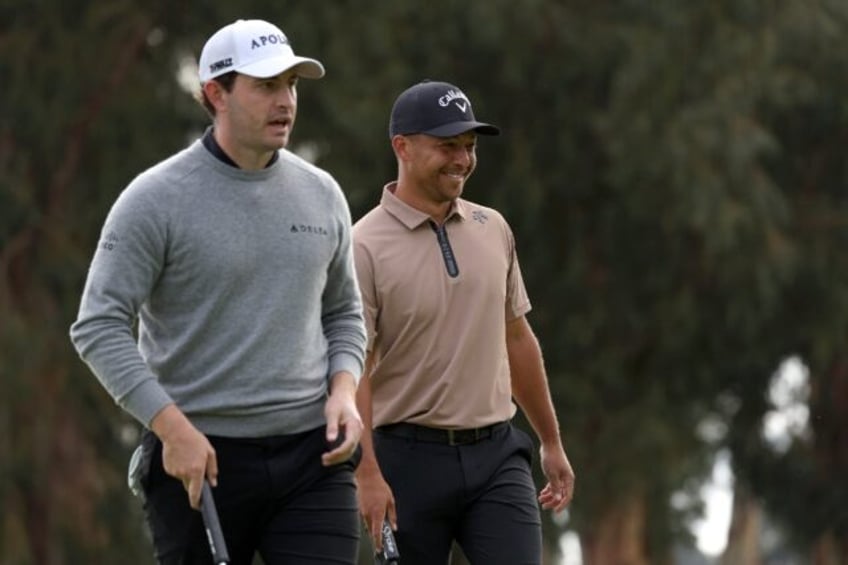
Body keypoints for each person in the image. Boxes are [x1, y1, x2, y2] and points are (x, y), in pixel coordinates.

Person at [69, 18, 367, 565]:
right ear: (215, 92)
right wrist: (170, 429)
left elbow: (344, 312)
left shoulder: (321, 193)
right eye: (266, 85)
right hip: (197, 461)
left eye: (292, 85)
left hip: (312, 461)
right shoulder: (153, 200)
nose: (286, 101)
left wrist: (344, 392)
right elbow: (98, 326)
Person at [352, 80, 576, 565]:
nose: (462, 159)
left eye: (470, 147)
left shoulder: (492, 227)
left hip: (496, 456)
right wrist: (366, 472)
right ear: (402, 147)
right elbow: (355, 370)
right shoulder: (362, 246)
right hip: (405, 462)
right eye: (447, 145)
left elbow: (516, 336)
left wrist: (551, 442)